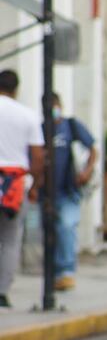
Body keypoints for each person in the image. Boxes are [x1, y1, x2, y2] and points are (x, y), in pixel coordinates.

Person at [0, 69, 44, 310]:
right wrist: (35, 185)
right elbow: (37, 157)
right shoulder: (27, 115)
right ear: (16, 89)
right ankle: (2, 291)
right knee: (9, 239)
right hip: (15, 183)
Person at [48, 93, 98, 291]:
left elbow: (93, 149)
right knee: (51, 232)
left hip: (69, 190)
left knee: (66, 227)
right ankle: (53, 272)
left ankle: (66, 271)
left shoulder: (71, 126)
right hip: (47, 192)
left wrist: (86, 171)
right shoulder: (40, 128)